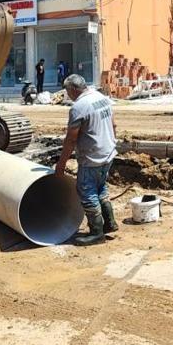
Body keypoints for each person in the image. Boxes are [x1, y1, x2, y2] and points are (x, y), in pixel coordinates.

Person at [55, 74, 118, 245]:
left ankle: (97, 233)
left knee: (87, 191)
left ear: (74, 89)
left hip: (92, 157)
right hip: (108, 153)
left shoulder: (79, 107)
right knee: (101, 188)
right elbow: (113, 125)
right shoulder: (101, 98)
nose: (67, 94)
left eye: (67, 91)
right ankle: (110, 223)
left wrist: (61, 164)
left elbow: (71, 139)